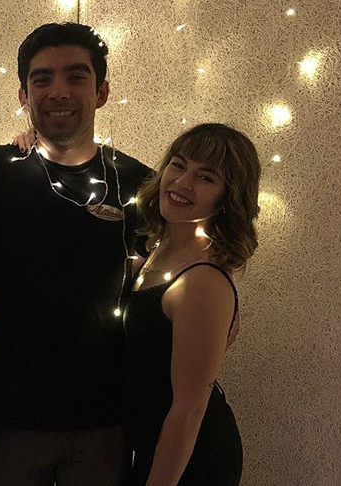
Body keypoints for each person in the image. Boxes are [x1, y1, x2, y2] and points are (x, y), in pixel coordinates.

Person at [0, 23, 152, 485]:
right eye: (42, 79)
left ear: (102, 91)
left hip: (106, 421)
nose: (58, 91)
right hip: (13, 417)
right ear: (23, 95)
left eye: (76, 76)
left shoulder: (138, 184)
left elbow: (181, 262)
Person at [124, 123, 260, 485]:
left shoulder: (202, 281)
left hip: (190, 460)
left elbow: (189, 410)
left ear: (228, 198)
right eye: (179, 164)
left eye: (206, 177)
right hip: (150, 443)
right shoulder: (157, 252)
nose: (182, 182)